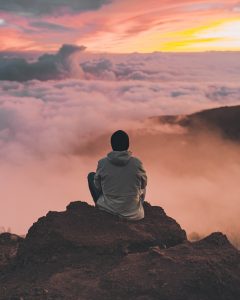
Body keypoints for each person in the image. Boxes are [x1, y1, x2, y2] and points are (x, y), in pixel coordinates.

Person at [87, 130, 147, 220]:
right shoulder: (137, 163)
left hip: (109, 209)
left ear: (112, 145)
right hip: (133, 213)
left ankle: (101, 207)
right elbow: (143, 185)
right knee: (142, 180)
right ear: (128, 145)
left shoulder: (102, 163)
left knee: (91, 176)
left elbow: (98, 187)